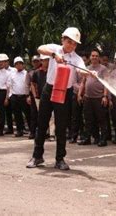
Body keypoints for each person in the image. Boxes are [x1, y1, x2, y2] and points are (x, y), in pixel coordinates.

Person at [27, 27, 88, 170]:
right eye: (69, 42)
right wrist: (54, 55)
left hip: (65, 93)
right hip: (49, 90)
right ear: (63, 40)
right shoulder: (55, 48)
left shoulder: (76, 58)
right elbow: (40, 48)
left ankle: (60, 159)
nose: (71, 45)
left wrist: (88, 73)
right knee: (41, 124)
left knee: (61, 127)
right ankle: (37, 156)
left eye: (74, 44)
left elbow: (80, 69)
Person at [78, 49, 110, 147]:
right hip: (88, 98)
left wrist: (105, 96)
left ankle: (103, 139)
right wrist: (79, 94)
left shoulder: (103, 69)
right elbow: (83, 82)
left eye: (96, 56)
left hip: (99, 97)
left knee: (101, 119)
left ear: (99, 58)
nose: (94, 57)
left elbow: (106, 84)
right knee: (88, 119)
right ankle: (89, 138)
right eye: (92, 56)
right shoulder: (86, 68)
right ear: (90, 57)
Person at [7, 57, 31, 137]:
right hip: (15, 96)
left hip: (24, 96)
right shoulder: (12, 74)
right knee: (17, 115)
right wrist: (9, 96)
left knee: (28, 114)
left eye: (20, 63)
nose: (18, 65)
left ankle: (32, 130)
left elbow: (30, 85)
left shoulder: (27, 73)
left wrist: (29, 96)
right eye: (16, 64)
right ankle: (19, 130)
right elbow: (9, 85)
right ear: (14, 65)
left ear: (23, 64)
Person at [29, 55, 48, 139]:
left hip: (47, 97)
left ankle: (47, 133)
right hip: (37, 96)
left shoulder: (50, 71)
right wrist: (34, 95)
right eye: (43, 60)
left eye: (47, 60)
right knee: (34, 115)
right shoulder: (35, 72)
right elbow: (32, 84)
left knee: (46, 116)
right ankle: (33, 132)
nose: (45, 62)